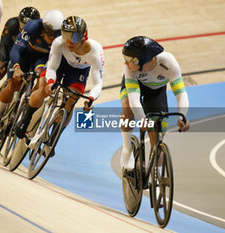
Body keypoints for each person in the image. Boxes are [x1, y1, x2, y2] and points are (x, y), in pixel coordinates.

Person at [14, 15, 105, 141]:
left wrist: (91, 99)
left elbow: (97, 83)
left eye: (73, 37)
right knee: (43, 89)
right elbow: (51, 68)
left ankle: (54, 135)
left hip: (79, 71)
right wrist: (51, 82)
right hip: (60, 64)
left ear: (83, 37)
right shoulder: (58, 42)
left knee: (71, 100)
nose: (68, 41)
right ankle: (26, 118)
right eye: (65, 35)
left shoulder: (96, 52)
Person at [0, 9, 65, 141]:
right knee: (13, 85)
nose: (51, 39)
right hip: (24, 55)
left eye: (54, 36)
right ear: (43, 28)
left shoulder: (60, 38)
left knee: (41, 83)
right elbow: (16, 49)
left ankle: (26, 113)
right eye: (49, 35)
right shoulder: (32, 26)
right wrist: (16, 68)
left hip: (41, 59)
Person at [119, 36, 190, 172]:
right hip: (135, 88)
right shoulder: (129, 69)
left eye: (129, 60)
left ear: (144, 60)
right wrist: (142, 119)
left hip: (156, 92)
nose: (125, 63)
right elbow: (134, 99)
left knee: (157, 137)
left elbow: (181, 93)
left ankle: (155, 177)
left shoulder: (168, 62)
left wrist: (182, 117)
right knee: (127, 108)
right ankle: (127, 148)